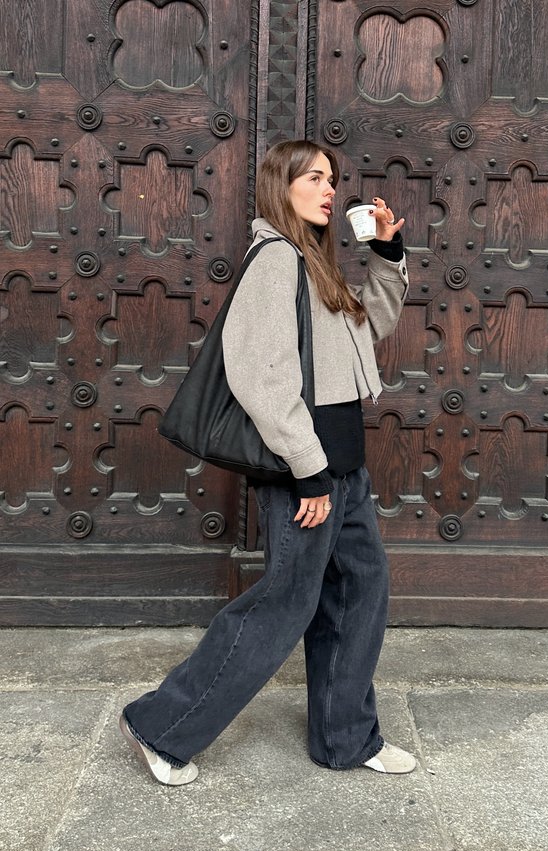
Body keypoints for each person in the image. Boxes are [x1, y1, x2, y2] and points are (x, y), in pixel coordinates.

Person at [119, 139, 413, 785]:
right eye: (314, 177)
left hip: (344, 470)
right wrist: (308, 469)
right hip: (305, 472)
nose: (330, 188)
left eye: (333, 178)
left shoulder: (315, 261)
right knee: (286, 604)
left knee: (359, 592)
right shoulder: (275, 259)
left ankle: (345, 738)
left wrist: (385, 254)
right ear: (282, 185)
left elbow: (370, 332)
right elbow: (259, 374)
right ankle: (161, 727)